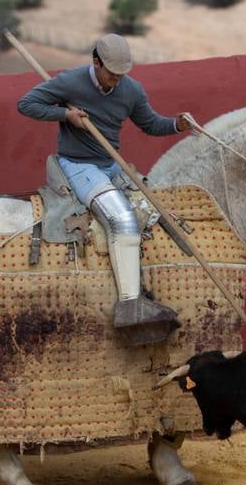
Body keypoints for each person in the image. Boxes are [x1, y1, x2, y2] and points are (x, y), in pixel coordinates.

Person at [17, 33, 194, 345]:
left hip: (112, 167)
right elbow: (26, 104)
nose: (116, 81)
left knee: (152, 216)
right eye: (111, 73)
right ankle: (130, 307)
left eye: (122, 74)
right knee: (123, 220)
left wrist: (176, 125)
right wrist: (65, 115)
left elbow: (151, 124)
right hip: (78, 165)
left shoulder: (131, 90)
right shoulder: (70, 83)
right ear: (95, 61)